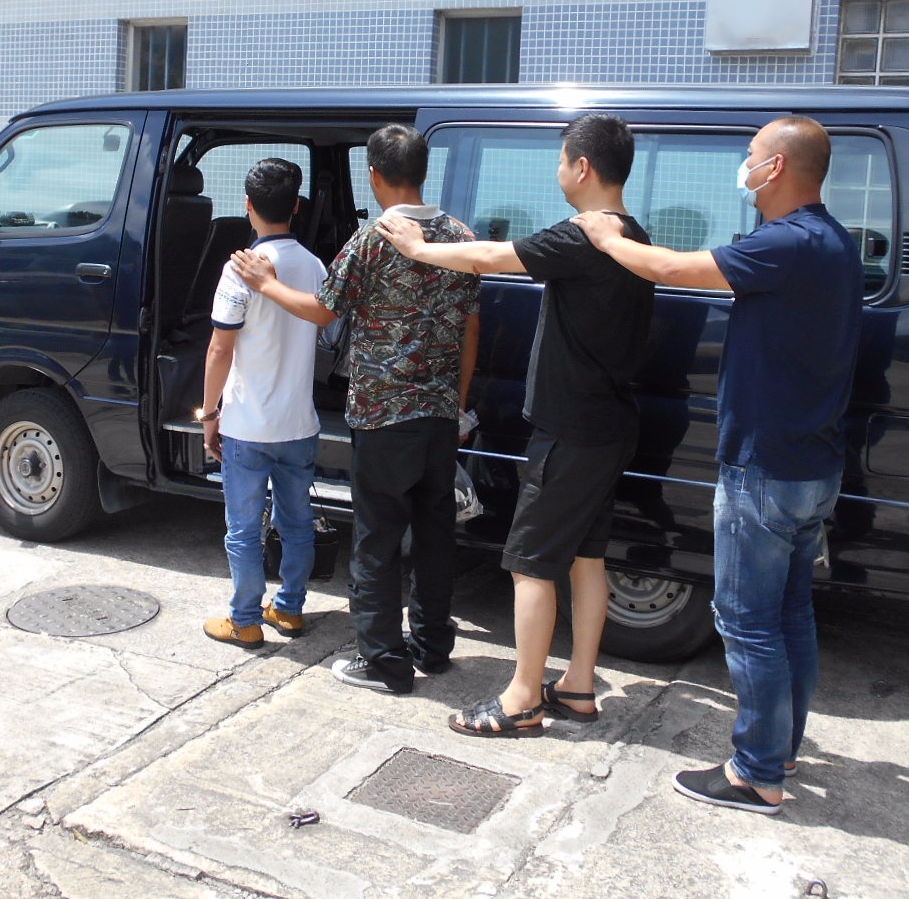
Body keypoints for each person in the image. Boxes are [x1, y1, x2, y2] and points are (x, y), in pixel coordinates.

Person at [573, 115, 862, 815]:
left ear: (779, 167)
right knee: (790, 615)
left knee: (747, 621)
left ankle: (755, 774)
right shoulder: (833, 241)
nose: (746, 164)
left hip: (764, 466)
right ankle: (780, 749)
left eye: (753, 154)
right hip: (812, 465)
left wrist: (606, 236)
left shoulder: (785, 242)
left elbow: (674, 270)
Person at [376, 112, 655, 738]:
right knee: (586, 559)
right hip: (610, 423)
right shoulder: (631, 233)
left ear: (582, 167)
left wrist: (417, 248)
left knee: (531, 564)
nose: (557, 172)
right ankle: (577, 685)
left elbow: (490, 256)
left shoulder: (584, 235)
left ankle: (522, 699)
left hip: (571, 429)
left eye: (560, 161)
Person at [231, 125, 479, 695]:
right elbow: (471, 328)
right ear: (423, 171)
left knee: (377, 540)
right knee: (435, 536)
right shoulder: (458, 236)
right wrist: (458, 404)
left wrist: (265, 282)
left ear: (374, 175)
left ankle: (384, 662)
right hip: (440, 416)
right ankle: (431, 646)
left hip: (383, 418)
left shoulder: (374, 239)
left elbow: (323, 312)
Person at [199, 158, 328, 648]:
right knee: (297, 523)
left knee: (243, 530)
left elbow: (220, 349)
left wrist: (209, 414)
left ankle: (245, 619)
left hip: (248, 427)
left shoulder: (239, 270)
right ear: (296, 207)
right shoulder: (314, 266)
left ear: (248, 206)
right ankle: (290, 609)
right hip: (299, 424)